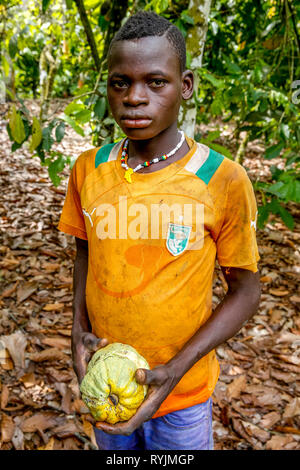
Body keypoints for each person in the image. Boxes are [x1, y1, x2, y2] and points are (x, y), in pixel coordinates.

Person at [57, 11, 261, 450]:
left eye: (155, 82)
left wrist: (177, 370)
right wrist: (77, 330)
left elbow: (245, 290)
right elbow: (85, 253)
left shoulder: (221, 179)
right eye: (120, 83)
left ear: (184, 86)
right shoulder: (88, 169)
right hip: (106, 385)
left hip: (182, 395)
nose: (134, 98)